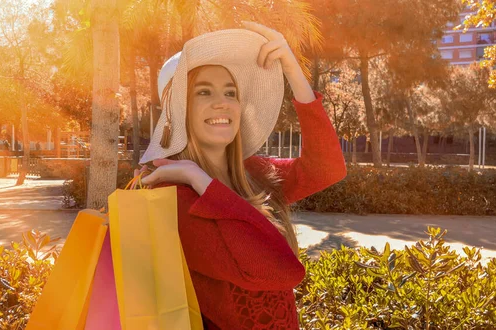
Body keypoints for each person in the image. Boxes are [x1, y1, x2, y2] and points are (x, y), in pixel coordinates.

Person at [135, 22, 346, 329]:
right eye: (203, 91)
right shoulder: (175, 195)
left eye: (230, 92)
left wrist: (293, 70)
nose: (222, 102)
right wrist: (201, 183)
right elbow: (277, 270)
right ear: (178, 111)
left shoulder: (254, 173)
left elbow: (327, 169)